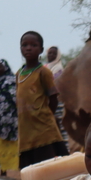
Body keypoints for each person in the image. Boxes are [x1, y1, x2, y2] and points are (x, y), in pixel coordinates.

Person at [17, 31, 68, 168]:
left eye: (33, 45)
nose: (28, 48)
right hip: (26, 129)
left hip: (43, 128)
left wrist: (47, 116)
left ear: (40, 50)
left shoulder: (43, 72)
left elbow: (53, 98)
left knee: (48, 166)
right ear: (20, 48)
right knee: (30, 170)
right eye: (25, 45)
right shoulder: (19, 74)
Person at [45, 45, 70, 146]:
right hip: (47, 101)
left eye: (54, 53)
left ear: (58, 55)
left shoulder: (58, 68)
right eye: (50, 53)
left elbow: (53, 85)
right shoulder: (46, 68)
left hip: (57, 101)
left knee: (59, 124)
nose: (51, 55)